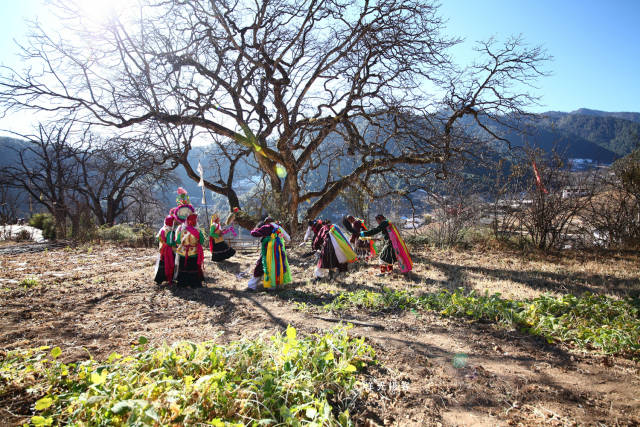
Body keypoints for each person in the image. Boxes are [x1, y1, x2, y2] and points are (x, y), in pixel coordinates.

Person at [247, 216, 291, 291]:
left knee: (260, 267)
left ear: (266, 222)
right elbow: (288, 239)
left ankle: (251, 286)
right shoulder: (279, 228)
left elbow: (254, 234)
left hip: (267, 252)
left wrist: (253, 230)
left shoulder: (266, 227)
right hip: (279, 253)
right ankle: (276, 287)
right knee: (278, 267)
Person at [153, 214, 176, 285]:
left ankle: (159, 279)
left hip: (162, 249)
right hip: (169, 250)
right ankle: (169, 278)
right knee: (170, 263)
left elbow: (159, 239)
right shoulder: (170, 231)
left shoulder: (162, 229)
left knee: (162, 263)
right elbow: (171, 242)